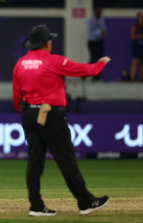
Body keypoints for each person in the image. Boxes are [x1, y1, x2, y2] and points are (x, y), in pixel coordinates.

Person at [12, 24, 111, 216]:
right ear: (47, 43)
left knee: (34, 162)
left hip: (29, 115)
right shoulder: (53, 61)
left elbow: (17, 95)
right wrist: (101, 63)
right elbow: (85, 70)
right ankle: (85, 202)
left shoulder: (20, 63)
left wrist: (26, 114)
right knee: (66, 159)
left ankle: (36, 205)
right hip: (50, 114)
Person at [86, 7, 107, 81]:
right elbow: (90, 31)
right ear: (95, 10)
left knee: (99, 59)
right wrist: (100, 33)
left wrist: (104, 32)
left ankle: (97, 76)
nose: (99, 11)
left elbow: (104, 29)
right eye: (98, 9)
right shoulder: (90, 20)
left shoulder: (101, 19)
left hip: (99, 41)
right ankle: (88, 73)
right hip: (92, 41)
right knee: (94, 58)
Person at [130, 12, 143, 81]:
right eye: (140, 18)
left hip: (142, 46)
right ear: (138, 19)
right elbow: (132, 36)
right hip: (137, 46)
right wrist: (139, 36)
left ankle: (141, 78)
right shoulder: (135, 26)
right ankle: (132, 78)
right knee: (135, 61)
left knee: (142, 63)